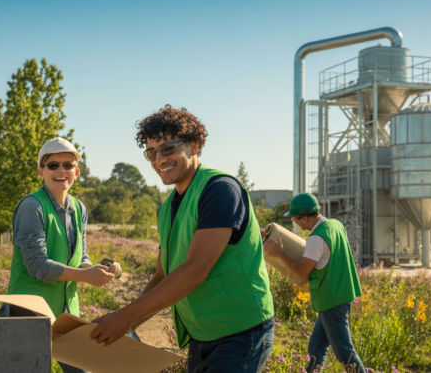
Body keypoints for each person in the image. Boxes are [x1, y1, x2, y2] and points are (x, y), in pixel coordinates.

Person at [90, 105, 275, 373]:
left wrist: (125, 317)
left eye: (168, 149)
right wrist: (128, 324)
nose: (159, 160)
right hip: (203, 333)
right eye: (151, 153)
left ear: (194, 146)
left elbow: (196, 269)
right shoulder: (168, 208)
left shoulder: (221, 190)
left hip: (240, 331)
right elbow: (162, 275)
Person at [4, 137, 115, 373]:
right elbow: (38, 267)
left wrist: (98, 270)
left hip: (66, 311)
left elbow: (80, 258)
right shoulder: (31, 207)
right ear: (40, 172)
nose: (61, 171)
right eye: (53, 165)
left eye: (67, 165)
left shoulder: (79, 208)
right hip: (29, 311)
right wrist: (86, 276)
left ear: (76, 171)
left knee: (82, 369)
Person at [263, 192, 365, 373]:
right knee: (317, 347)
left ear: (304, 218)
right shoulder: (334, 225)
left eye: (295, 219)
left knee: (344, 353)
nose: (295, 222)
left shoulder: (316, 239)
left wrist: (279, 253)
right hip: (341, 294)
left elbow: (302, 272)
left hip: (331, 299)